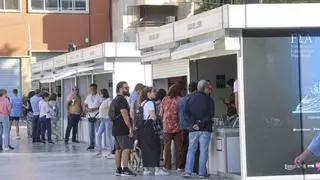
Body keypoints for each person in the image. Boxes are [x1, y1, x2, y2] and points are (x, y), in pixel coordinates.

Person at [182, 80, 214, 178]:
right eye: (209, 88)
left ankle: (188, 171)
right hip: (205, 128)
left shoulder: (190, 99)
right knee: (203, 151)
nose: (209, 90)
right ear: (204, 88)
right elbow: (210, 115)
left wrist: (193, 123)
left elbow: (185, 113)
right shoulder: (209, 100)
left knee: (191, 149)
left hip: (193, 129)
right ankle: (202, 173)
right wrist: (201, 123)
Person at [138, 87, 169, 176]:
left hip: (142, 128)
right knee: (155, 147)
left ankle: (146, 169)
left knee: (145, 149)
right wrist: (159, 120)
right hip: (150, 127)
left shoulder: (143, 103)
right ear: (148, 93)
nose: (155, 93)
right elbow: (153, 116)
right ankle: (157, 169)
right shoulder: (151, 103)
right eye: (153, 91)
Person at [109, 81, 136, 176]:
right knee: (126, 148)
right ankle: (125, 169)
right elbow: (125, 116)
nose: (128, 89)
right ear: (120, 88)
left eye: (128, 87)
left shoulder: (115, 99)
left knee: (118, 149)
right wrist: (130, 127)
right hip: (122, 128)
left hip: (115, 128)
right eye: (126, 87)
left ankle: (118, 170)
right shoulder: (122, 100)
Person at [160, 83, 184, 172]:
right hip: (178, 126)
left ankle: (167, 165)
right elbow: (182, 113)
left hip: (166, 126)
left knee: (167, 147)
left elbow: (161, 113)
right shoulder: (180, 99)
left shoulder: (164, 99)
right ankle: (179, 165)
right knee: (179, 147)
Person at [176, 82, 198, 172]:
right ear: (196, 90)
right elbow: (193, 113)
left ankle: (181, 166)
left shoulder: (181, 99)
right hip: (191, 126)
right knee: (192, 147)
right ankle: (192, 167)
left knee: (184, 146)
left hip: (182, 125)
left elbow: (177, 112)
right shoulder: (193, 99)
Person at [96, 88, 114, 158]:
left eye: (100, 93)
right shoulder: (103, 101)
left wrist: (109, 116)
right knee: (99, 134)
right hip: (103, 120)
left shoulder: (108, 100)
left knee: (109, 135)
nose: (99, 95)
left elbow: (111, 108)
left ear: (103, 94)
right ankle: (99, 150)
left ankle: (111, 151)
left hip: (108, 120)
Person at [84, 83, 102, 150]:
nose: (93, 90)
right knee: (91, 132)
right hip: (89, 116)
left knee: (98, 131)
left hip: (97, 116)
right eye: (91, 89)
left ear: (96, 89)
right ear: (90, 89)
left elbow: (101, 106)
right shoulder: (88, 96)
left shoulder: (99, 96)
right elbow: (85, 104)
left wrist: (94, 109)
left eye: (94, 88)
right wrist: (87, 109)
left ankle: (99, 145)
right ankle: (92, 144)